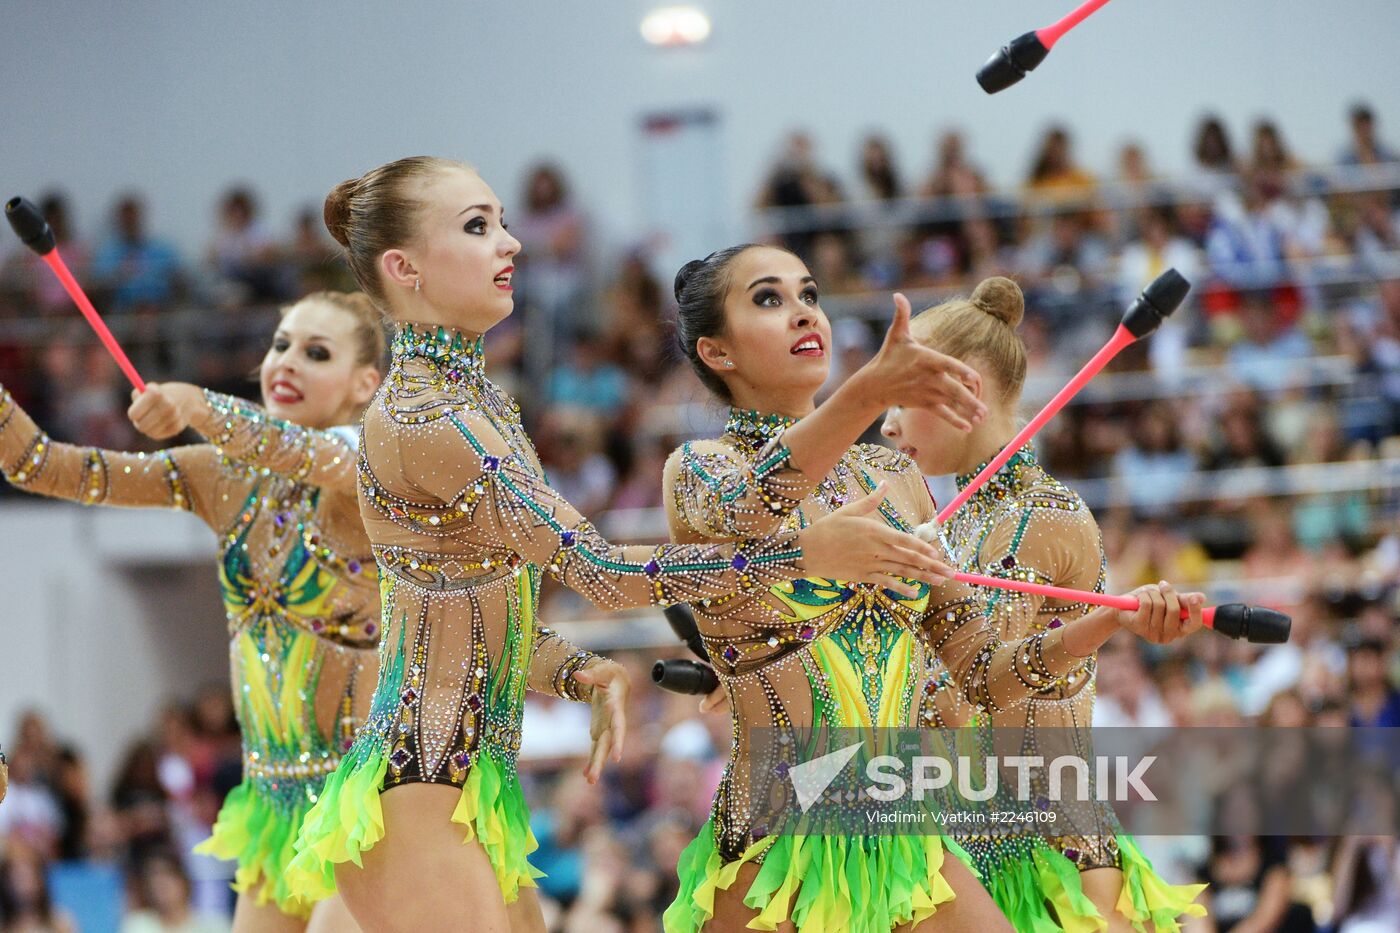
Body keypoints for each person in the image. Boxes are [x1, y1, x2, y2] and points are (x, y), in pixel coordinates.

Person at [282, 157, 952, 931]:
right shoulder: (433, 417)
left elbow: (457, 610)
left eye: (501, 221)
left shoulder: (476, 402)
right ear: (405, 268)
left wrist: (574, 670)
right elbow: (600, 571)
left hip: (458, 779)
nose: (511, 245)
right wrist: (803, 555)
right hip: (423, 776)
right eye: (477, 227)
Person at [661, 247, 1204, 933]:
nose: (803, 310)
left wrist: (1111, 624)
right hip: (780, 840)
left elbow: (979, 674)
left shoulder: (896, 480)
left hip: (899, 833)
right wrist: (860, 393)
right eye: (767, 299)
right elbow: (748, 509)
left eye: (809, 292)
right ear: (718, 351)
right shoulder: (701, 467)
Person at [9, 292, 389, 930]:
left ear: (364, 384)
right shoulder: (221, 475)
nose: (288, 363)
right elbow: (42, 465)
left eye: (316, 353)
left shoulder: (370, 469)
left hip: (369, 806)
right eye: (281, 345)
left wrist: (197, 404)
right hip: (275, 805)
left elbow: (309, 455)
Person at [882, 276, 1207, 931]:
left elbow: (975, 684)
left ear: (963, 388)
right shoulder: (958, 523)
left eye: (899, 398)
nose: (886, 424)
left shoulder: (1043, 515)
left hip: (1052, 861)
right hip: (971, 842)